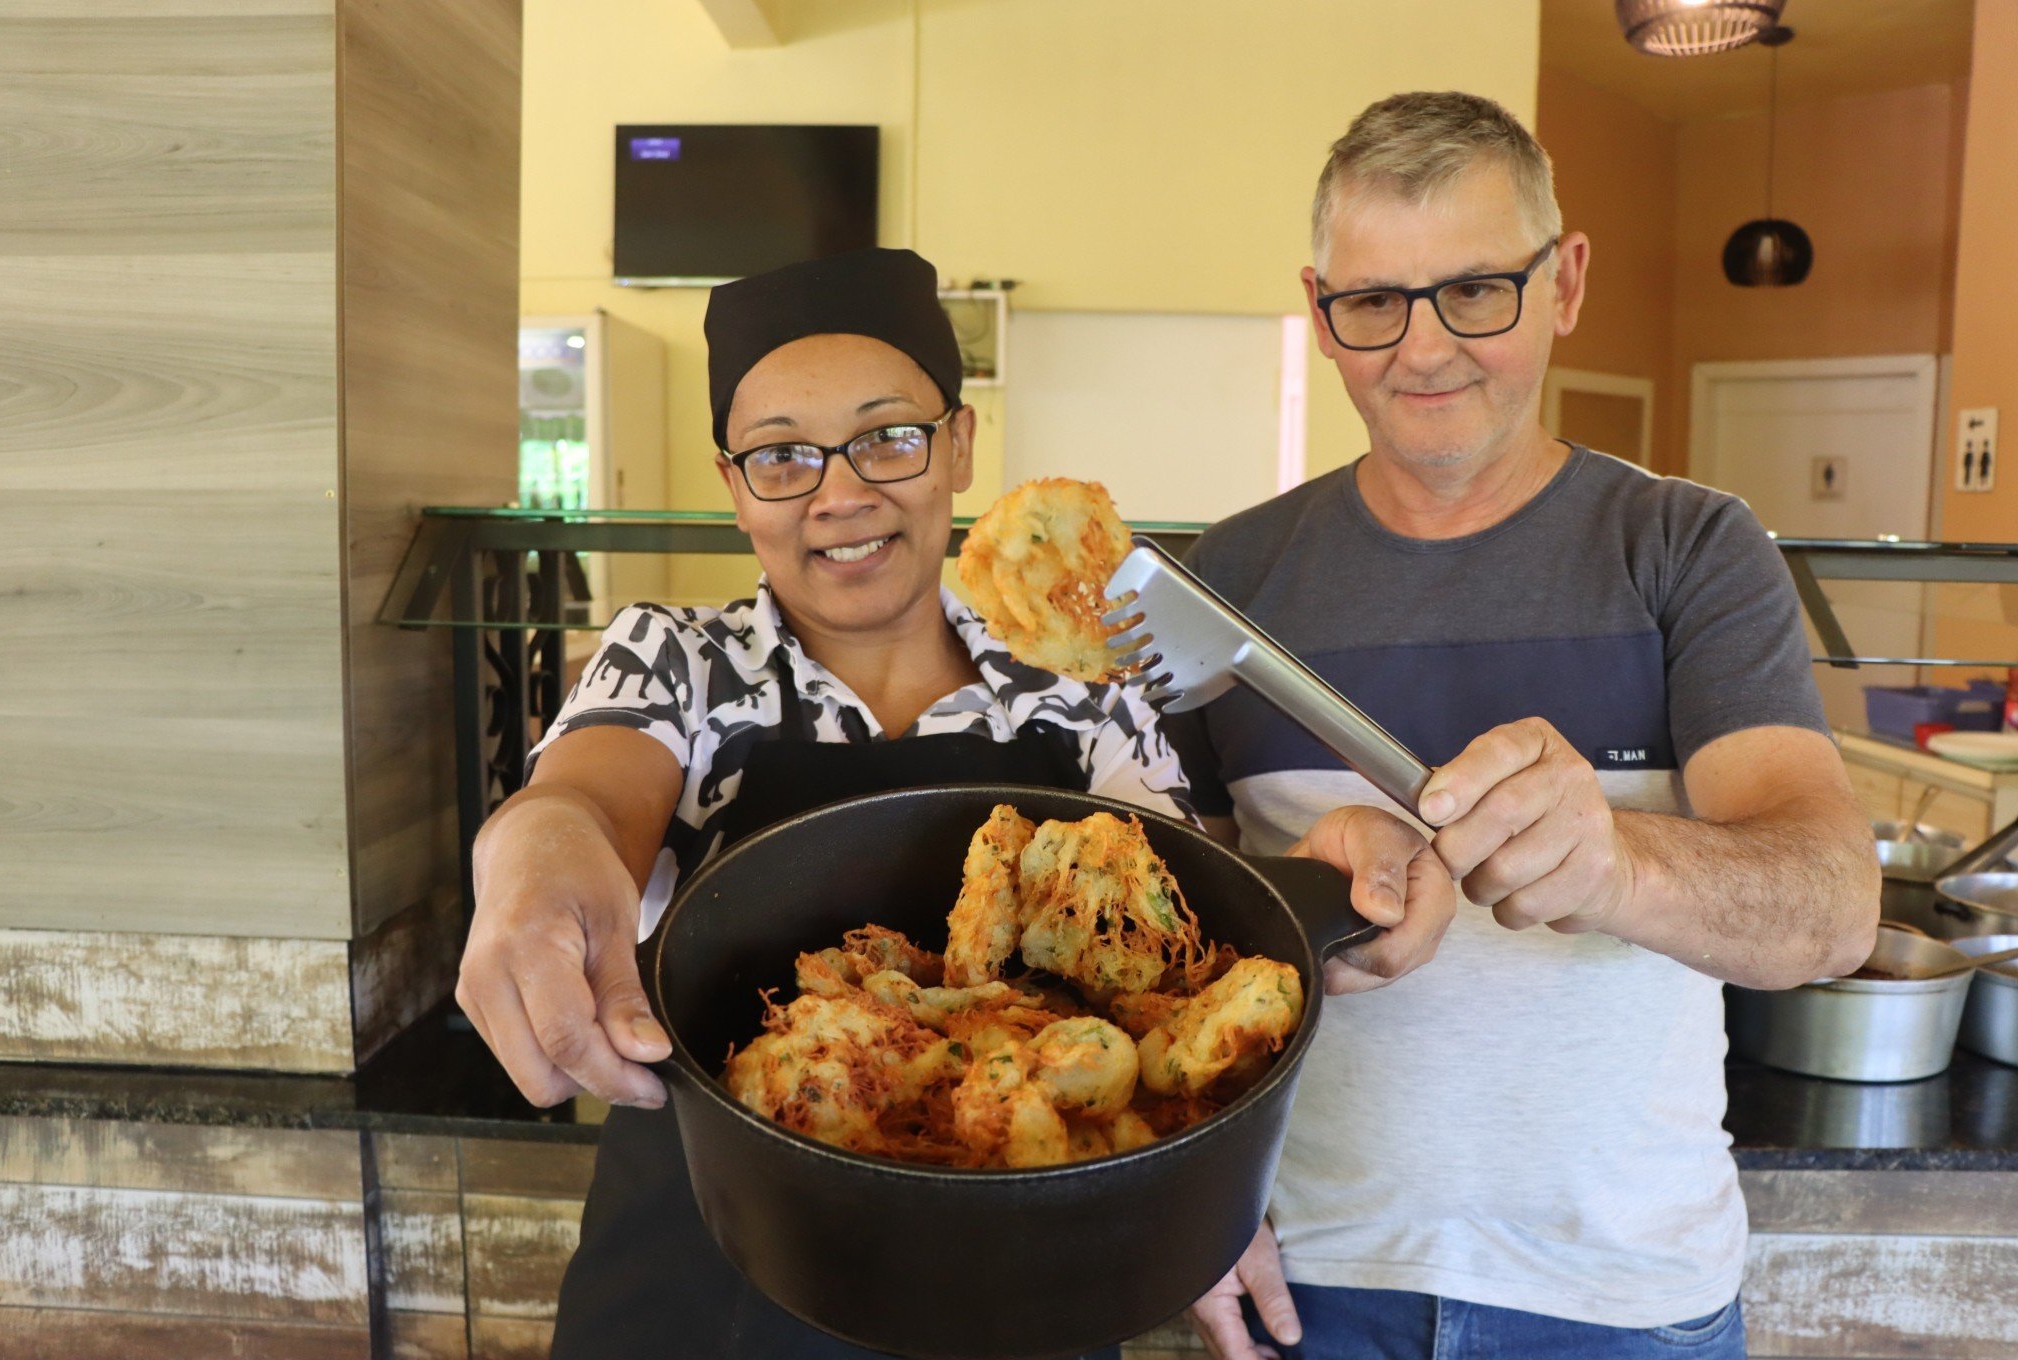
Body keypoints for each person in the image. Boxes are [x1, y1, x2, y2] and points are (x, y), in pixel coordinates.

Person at [453, 247, 1448, 1359]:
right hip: (718, 1262)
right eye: (783, 455)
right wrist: (531, 871)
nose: (840, 492)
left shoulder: (1086, 693)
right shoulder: (675, 660)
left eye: (887, 437)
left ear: (960, 446)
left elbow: (1181, 949)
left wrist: (1201, 1195)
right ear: (736, 487)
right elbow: (580, 797)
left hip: (1030, 1268)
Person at [1174, 93, 1880, 1360]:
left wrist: (1617, 860)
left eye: (1477, 291)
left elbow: (1832, 907)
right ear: (1320, 308)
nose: (1423, 348)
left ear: (1565, 284)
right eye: (1374, 301)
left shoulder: (1689, 550)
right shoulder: (1229, 579)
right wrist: (1190, 1206)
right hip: (1308, 1286)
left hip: (1623, 1301)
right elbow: (1168, 953)